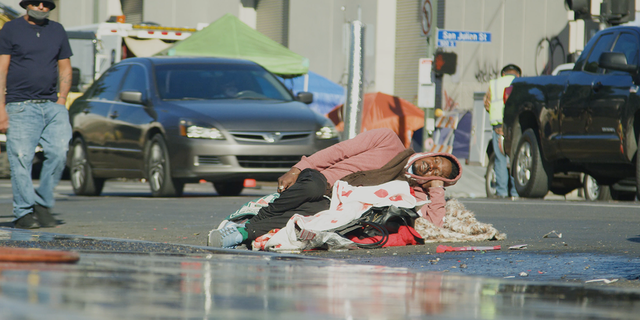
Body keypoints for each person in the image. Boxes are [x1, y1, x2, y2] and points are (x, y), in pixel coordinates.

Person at [209, 128, 462, 248]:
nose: (432, 168)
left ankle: (240, 233)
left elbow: (434, 223)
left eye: (439, 174)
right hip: (322, 180)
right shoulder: (388, 139)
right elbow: (340, 151)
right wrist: (298, 168)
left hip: (336, 203)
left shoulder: (414, 192)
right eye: (437, 161)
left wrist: (436, 188)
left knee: (308, 216)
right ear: (432, 153)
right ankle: (254, 224)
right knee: (310, 190)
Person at [0, 0, 73, 229]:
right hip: (20, 105)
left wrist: (62, 100)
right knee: (21, 157)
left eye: (46, 4)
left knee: (59, 152)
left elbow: (65, 67)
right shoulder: (11, 29)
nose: (41, 7)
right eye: (36, 3)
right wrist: (0, 108)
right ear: (27, 5)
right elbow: (2, 68)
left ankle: (42, 203)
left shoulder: (57, 30)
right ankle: (23, 213)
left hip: (53, 105)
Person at [483, 64, 521, 199]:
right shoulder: (520, 83)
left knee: (500, 159)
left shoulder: (494, 84)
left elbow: (487, 104)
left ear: (503, 74)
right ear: (518, 74)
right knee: (516, 158)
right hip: (516, 127)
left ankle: (502, 192)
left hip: (499, 127)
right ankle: (516, 192)